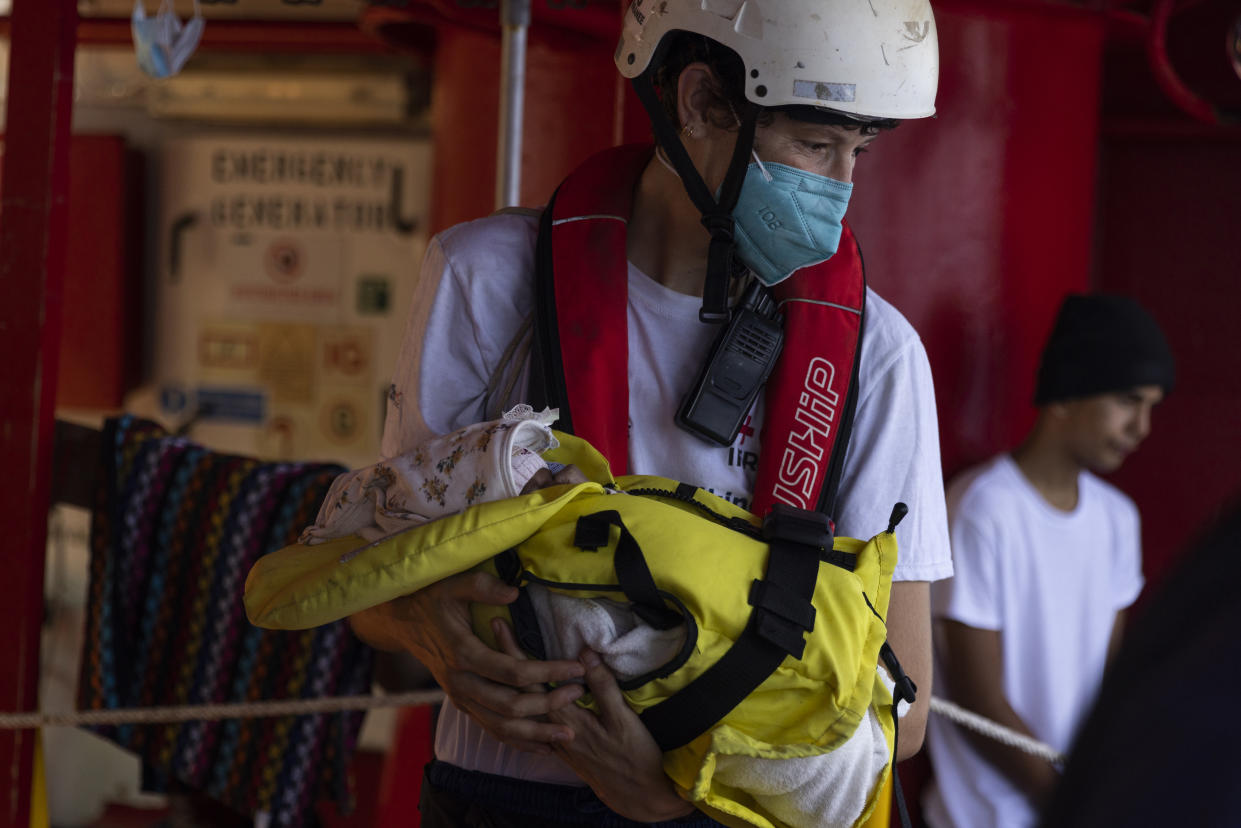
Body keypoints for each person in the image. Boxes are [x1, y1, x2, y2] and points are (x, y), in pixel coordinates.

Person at [349, 1, 953, 824]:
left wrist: (673, 794)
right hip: (499, 799)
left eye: (860, 151)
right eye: (813, 145)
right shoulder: (485, 282)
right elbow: (370, 575)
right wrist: (428, 636)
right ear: (701, 100)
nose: (841, 188)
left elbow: (904, 713)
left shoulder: (878, 356)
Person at [922, 293, 1177, 828]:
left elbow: (1107, 681)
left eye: (1152, 406)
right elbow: (978, 702)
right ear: (1064, 395)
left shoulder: (1116, 519)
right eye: (1129, 401)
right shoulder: (982, 510)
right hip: (988, 818)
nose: (1143, 427)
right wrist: (1072, 800)